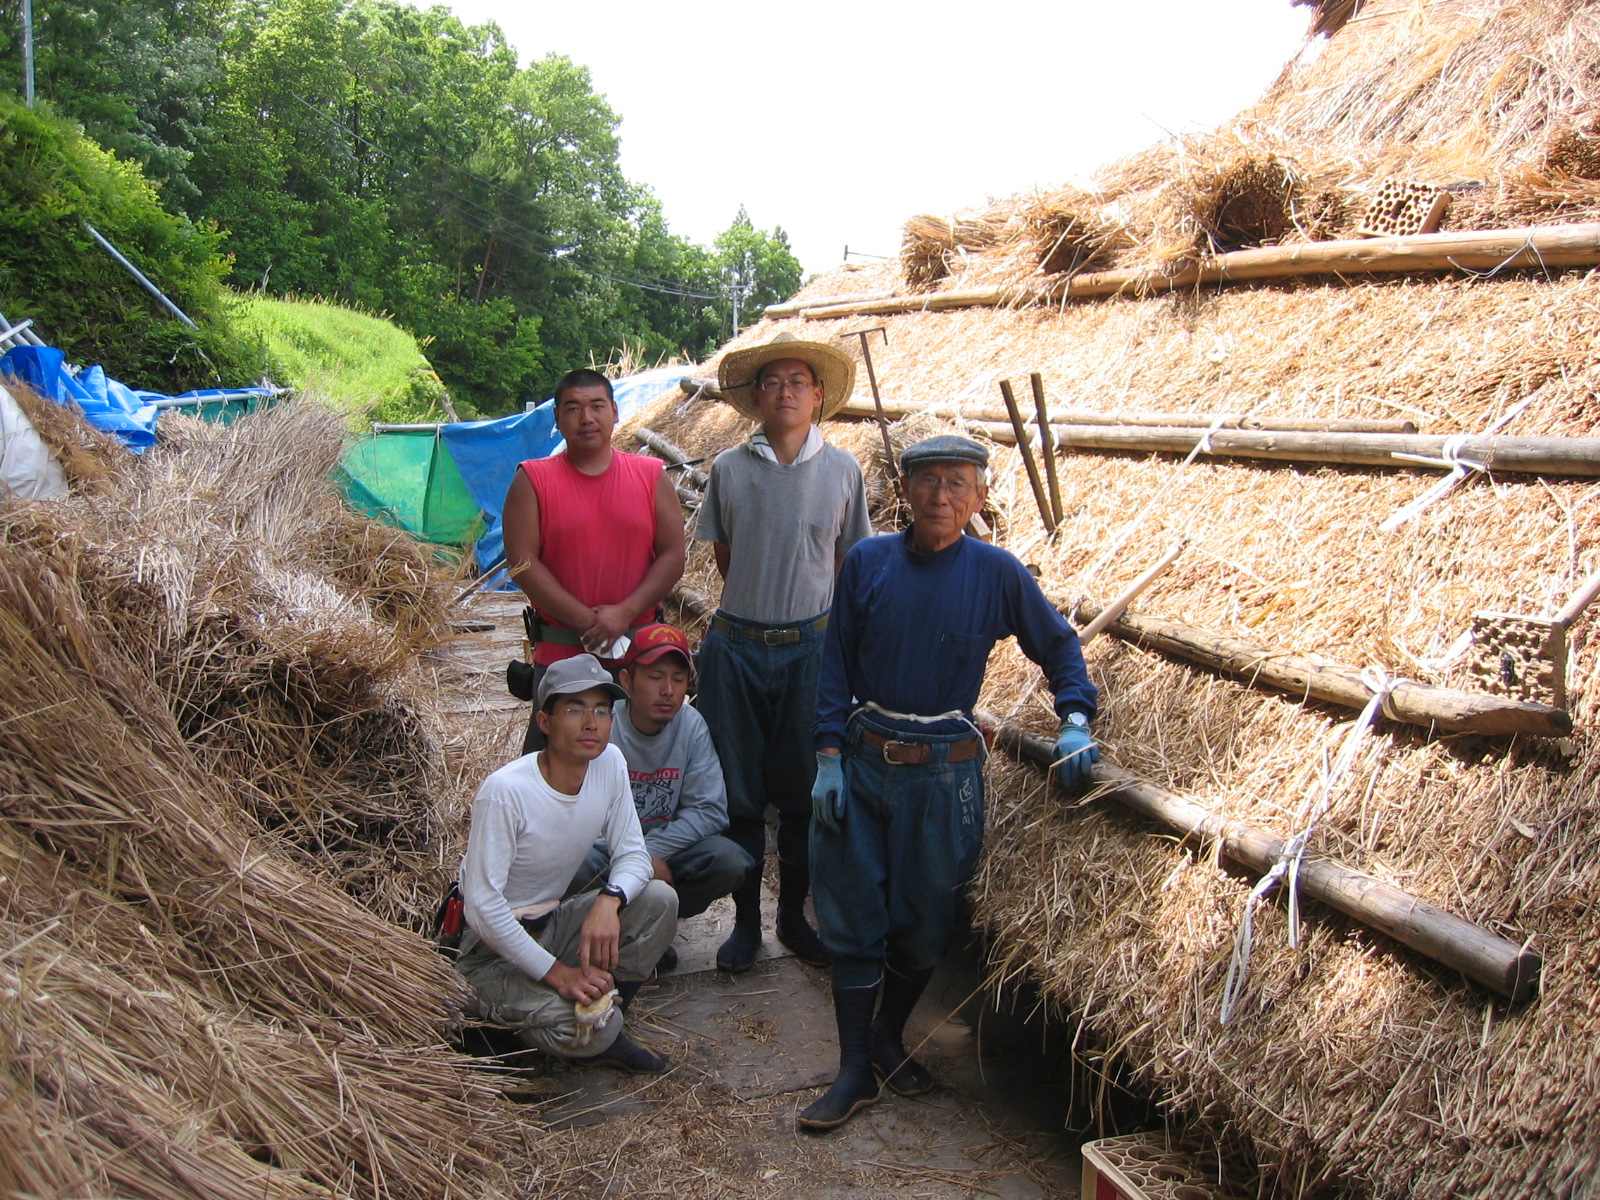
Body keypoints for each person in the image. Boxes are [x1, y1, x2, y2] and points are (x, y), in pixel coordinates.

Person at [799, 434, 1100, 1130]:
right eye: (928, 481)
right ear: (905, 490)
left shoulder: (997, 574)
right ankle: (852, 1072)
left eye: (958, 483)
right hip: (865, 760)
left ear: (980, 496)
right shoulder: (870, 561)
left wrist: (1076, 716)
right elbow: (835, 663)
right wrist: (827, 756)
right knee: (853, 919)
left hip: (944, 777)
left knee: (925, 924)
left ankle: (886, 1037)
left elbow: (1057, 645)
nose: (941, 495)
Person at [693, 332, 872, 974]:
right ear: (756, 398)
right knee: (737, 793)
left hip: (813, 653)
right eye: (773, 382)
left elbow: (848, 563)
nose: (787, 390)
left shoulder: (844, 470)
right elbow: (726, 559)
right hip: (736, 647)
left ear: (819, 396)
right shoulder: (729, 469)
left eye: (799, 381)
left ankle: (793, 917)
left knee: (801, 794)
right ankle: (746, 925)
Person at [456, 654, 678, 1072]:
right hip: (486, 951)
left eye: (601, 710)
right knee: (582, 1028)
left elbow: (633, 854)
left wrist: (609, 901)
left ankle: (607, 1020)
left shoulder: (609, 762)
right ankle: (495, 1031)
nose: (590, 723)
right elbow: (483, 909)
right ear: (545, 722)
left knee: (658, 899)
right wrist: (559, 974)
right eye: (574, 709)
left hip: (551, 924)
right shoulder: (506, 792)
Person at [503, 368, 686, 754]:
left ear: (615, 412)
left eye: (597, 406)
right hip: (561, 654)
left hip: (639, 655)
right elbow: (522, 563)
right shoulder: (533, 480)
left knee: (643, 766)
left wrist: (626, 612)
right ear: (557, 418)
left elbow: (673, 554)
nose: (586, 418)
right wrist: (587, 621)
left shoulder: (650, 475)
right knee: (552, 770)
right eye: (573, 408)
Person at [568, 622, 755, 970]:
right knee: (572, 863)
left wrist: (648, 856)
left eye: (678, 679)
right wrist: (635, 862)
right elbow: (576, 816)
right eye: (655, 677)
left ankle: (654, 927)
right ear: (626, 681)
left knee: (729, 860)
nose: (668, 690)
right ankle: (614, 932)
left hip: (664, 852)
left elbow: (711, 810)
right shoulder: (603, 727)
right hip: (604, 854)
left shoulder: (691, 724)